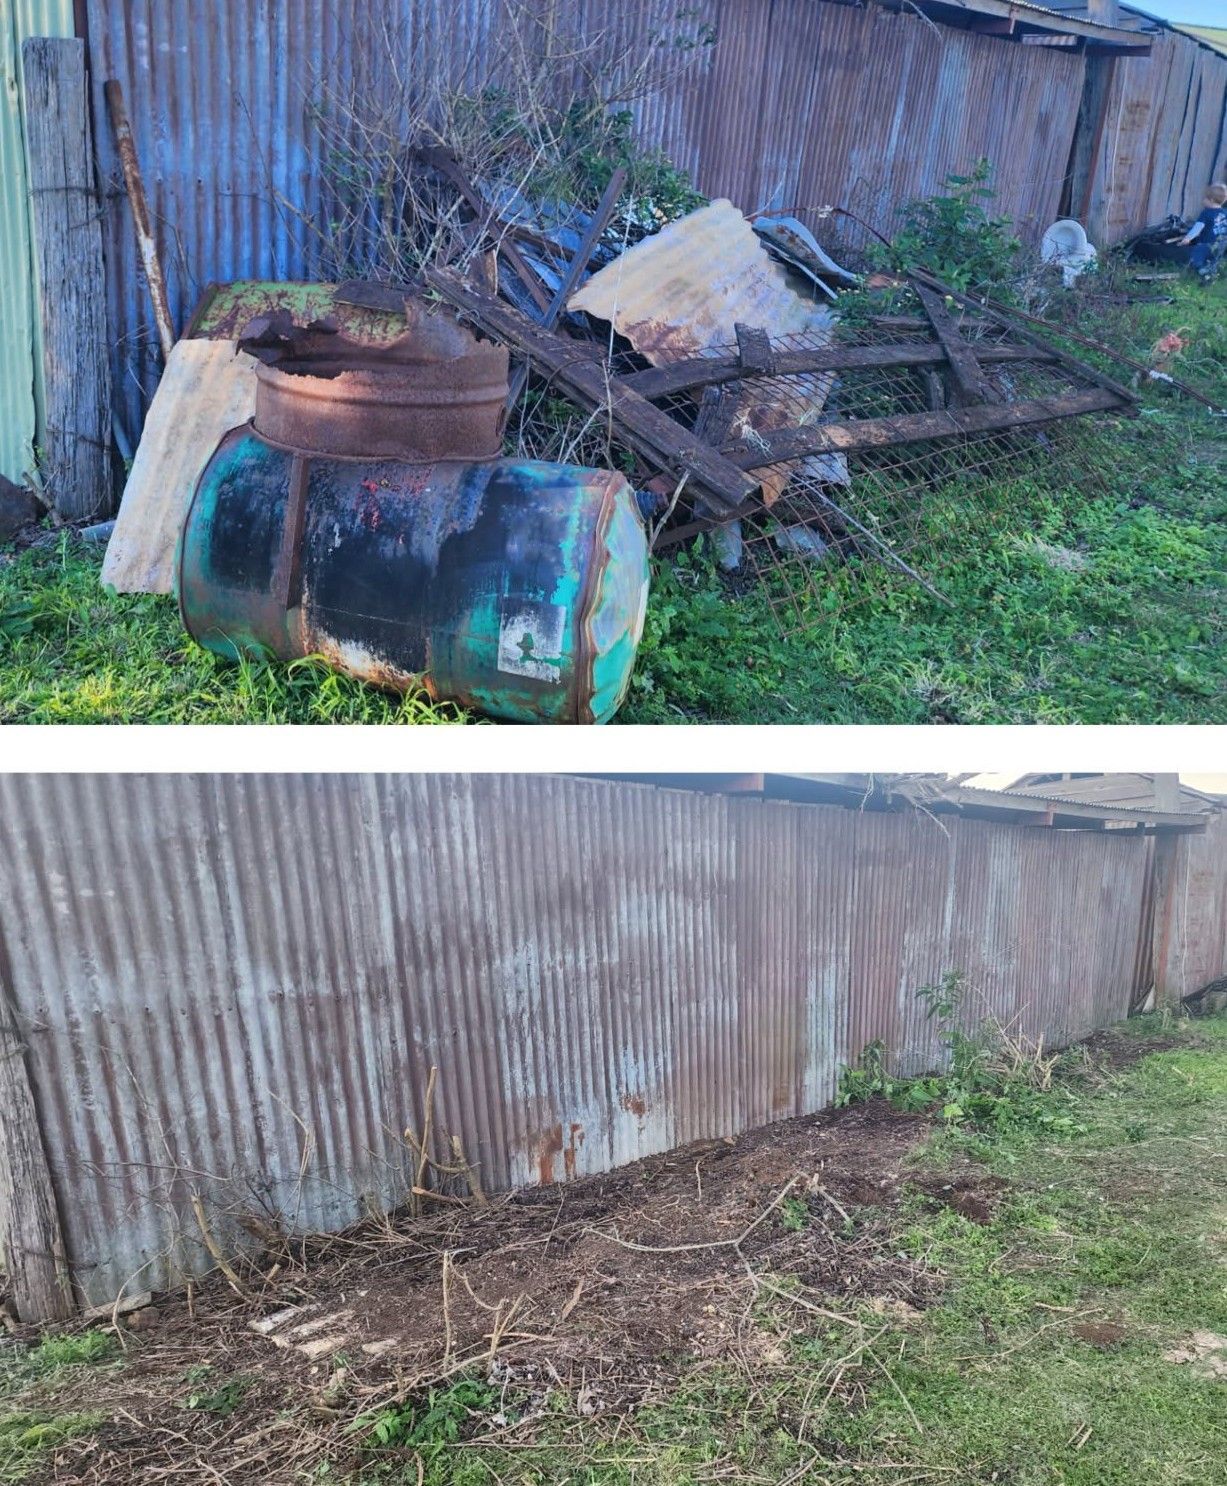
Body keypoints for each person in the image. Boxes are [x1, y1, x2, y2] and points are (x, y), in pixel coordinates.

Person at [1172, 184, 1227, 280]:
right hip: (1221, 244)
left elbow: (1197, 228)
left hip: (1206, 244)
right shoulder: (1225, 213)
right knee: (1213, 260)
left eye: (1205, 198)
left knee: (1196, 256)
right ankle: (1211, 274)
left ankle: (1202, 272)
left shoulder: (1206, 213)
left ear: (1211, 200)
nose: (1202, 200)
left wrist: (1187, 238)